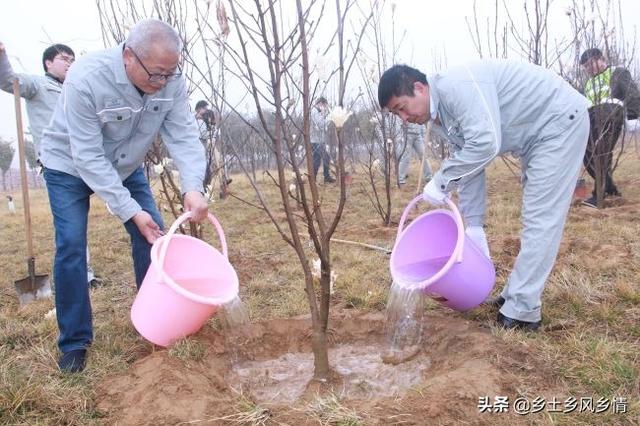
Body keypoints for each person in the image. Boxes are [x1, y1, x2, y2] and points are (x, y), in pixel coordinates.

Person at [39, 19, 209, 372]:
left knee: (154, 236)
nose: (162, 83)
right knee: (71, 243)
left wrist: (192, 185)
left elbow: (183, 135)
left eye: (170, 74)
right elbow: (87, 156)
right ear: (129, 56)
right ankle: (74, 342)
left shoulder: (170, 82)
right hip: (68, 165)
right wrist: (130, 210)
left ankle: (156, 322)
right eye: (156, 74)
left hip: (126, 165)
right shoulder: (86, 77)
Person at [378, 62, 590, 331]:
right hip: (534, 137)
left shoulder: (457, 87)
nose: (404, 118)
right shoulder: (441, 114)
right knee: (536, 217)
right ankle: (515, 293)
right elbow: (470, 166)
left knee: (541, 219)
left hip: (559, 123)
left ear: (419, 88)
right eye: (397, 115)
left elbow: (485, 145)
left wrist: (442, 180)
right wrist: (474, 226)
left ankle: (523, 310)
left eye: (402, 108)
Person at [0, 41, 101, 287]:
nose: (70, 63)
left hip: (84, 160)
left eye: (72, 59)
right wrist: (2, 56)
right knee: (70, 223)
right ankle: (81, 277)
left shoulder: (76, 88)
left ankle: (84, 271)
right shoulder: (37, 85)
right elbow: (7, 80)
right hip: (57, 166)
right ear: (48, 62)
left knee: (80, 220)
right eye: (64, 59)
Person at [579, 48, 640, 208]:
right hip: (590, 120)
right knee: (587, 155)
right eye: (585, 66)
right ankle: (610, 187)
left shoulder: (617, 72)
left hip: (610, 115)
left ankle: (599, 194)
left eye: (591, 63)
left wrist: (633, 115)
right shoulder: (587, 83)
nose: (589, 68)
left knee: (600, 153)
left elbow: (632, 93)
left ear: (601, 59)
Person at [195, 99, 231, 186]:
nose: (206, 111)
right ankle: (207, 185)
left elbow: (212, 131)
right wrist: (213, 131)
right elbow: (203, 135)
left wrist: (212, 126)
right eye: (205, 109)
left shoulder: (205, 118)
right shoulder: (196, 121)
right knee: (206, 168)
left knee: (217, 160)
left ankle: (223, 179)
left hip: (207, 143)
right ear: (199, 109)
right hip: (200, 146)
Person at [310, 97, 335, 183]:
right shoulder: (314, 111)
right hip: (315, 141)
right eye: (325, 105)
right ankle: (325, 177)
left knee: (317, 159)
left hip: (319, 140)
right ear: (320, 103)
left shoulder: (317, 112)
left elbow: (322, 124)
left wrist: (325, 115)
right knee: (325, 157)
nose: (325, 107)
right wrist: (330, 117)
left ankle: (314, 178)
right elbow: (321, 125)